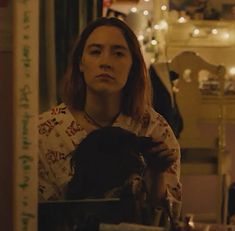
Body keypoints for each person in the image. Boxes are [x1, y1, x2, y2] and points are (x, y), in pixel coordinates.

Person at [38, 17, 182, 219]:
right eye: (95, 52)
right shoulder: (46, 131)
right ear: (81, 62)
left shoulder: (154, 129)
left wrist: (156, 175)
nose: (105, 63)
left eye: (118, 54)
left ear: (133, 65)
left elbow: (168, 218)